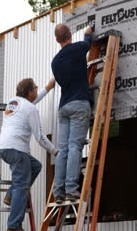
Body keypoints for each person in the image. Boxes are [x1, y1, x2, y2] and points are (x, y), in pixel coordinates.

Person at [0, 78, 58, 231]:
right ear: (30, 92)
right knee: (21, 186)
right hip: (18, 150)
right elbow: (40, 138)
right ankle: (14, 226)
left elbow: (30, 103)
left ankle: (11, 195)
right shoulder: (31, 109)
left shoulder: (13, 102)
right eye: (36, 88)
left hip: (5, 148)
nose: (37, 90)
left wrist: (47, 88)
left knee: (36, 166)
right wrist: (55, 151)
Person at [51, 24, 93, 203]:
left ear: (56, 40)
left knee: (64, 150)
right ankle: (71, 189)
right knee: (75, 146)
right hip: (79, 104)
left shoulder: (54, 62)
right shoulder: (78, 49)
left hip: (64, 107)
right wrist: (87, 32)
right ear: (69, 35)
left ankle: (58, 192)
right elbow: (88, 42)